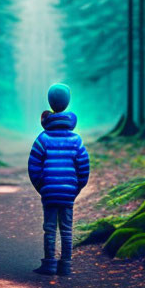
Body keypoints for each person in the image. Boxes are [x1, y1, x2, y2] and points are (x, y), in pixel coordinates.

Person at [27, 83, 89, 276]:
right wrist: (75, 188)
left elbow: (33, 166)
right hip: (68, 192)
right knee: (67, 229)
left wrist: (43, 187)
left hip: (49, 191)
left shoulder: (42, 138)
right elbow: (84, 167)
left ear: (50, 102)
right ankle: (66, 265)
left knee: (50, 228)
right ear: (67, 103)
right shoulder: (76, 140)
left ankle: (49, 264)